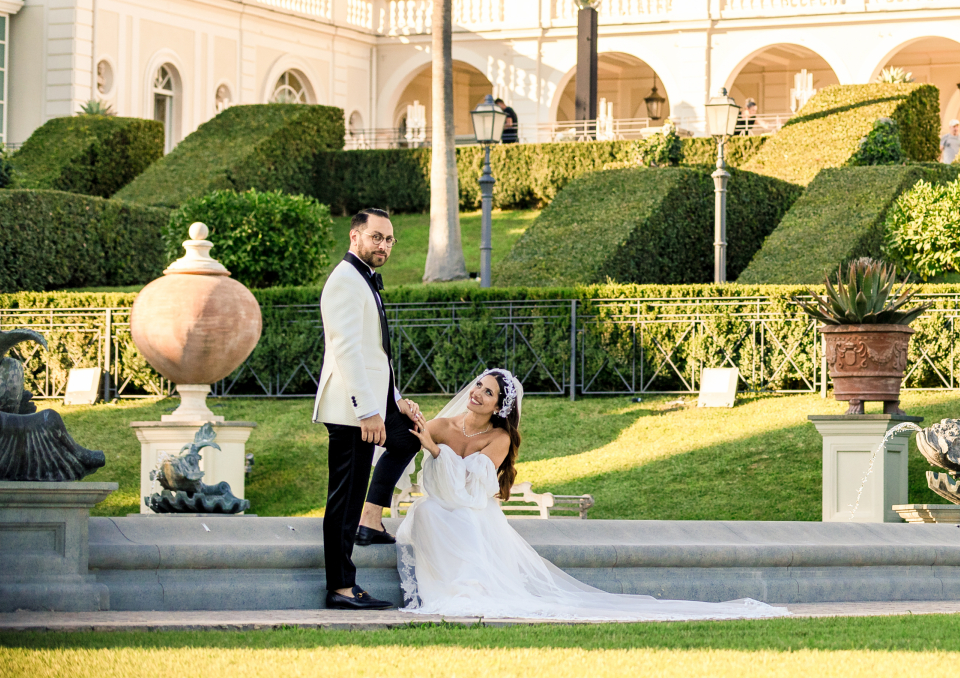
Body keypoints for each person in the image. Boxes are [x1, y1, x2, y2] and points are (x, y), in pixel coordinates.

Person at [396, 368, 788, 622]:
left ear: (500, 406)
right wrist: (412, 418)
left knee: (464, 516)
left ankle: (471, 588)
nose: (478, 394)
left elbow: (471, 492)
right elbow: (408, 449)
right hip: (439, 508)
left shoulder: (499, 437)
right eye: (479, 386)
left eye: (489, 392)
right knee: (430, 512)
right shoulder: (442, 425)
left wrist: (437, 452)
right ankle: (456, 587)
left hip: (470, 513)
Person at [315, 208, 424, 611]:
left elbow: (376, 354)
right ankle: (341, 587)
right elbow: (347, 351)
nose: (384, 245)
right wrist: (367, 412)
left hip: (373, 403)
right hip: (350, 410)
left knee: (408, 437)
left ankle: (370, 520)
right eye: (376, 237)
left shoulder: (364, 280)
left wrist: (395, 401)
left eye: (389, 239)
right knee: (344, 499)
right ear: (355, 236)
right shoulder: (345, 280)